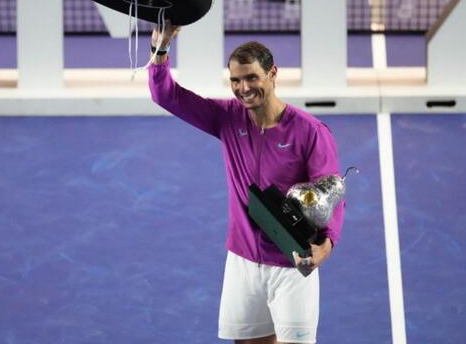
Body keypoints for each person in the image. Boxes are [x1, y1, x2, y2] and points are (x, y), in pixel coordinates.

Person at [147, 21, 344, 344]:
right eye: (236, 80)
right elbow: (166, 95)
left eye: (252, 77)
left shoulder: (310, 131)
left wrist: (328, 242)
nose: (243, 88)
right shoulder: (226, 117)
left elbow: (330, 194)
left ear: (272, 74)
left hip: (292, 263)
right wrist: (161, 48)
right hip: (242, 260)